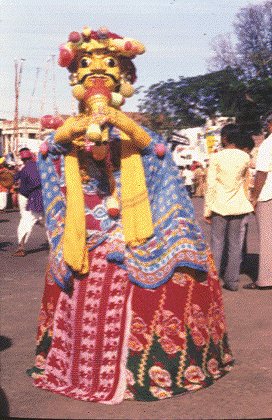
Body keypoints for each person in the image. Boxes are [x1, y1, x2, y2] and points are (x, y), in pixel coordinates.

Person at [28, 26, 234, 403]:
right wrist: (66, 136)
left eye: (109, 67)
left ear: (122, 80)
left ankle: (140, 370)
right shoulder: (68, 135)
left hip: (138, 228)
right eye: (87, 68)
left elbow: (158, 157)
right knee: (78, 268)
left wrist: (125, 127)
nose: (98, 76)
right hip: (85, 231)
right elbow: (47, 157)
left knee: (170, 266)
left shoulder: (136, 133)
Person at [204, 124, 253, 291]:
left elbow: (210, 185)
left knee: (217, 244)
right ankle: (232, 281)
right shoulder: (245, 157)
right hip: (238, 206)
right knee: (235, 245)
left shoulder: (216, 157)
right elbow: (245, 182)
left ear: (224, 138)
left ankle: (213, 279)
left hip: (219, 206)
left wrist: (207, 210)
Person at [243, 113, 272, 290]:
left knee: (267, 238)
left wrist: (253, 197)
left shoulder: (268, 145)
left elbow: (261, 173)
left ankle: (266, 279)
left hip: (268, 195)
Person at [13, 148, 44, 256]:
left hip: (34, 198)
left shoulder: (26, 169)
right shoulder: (38, 166)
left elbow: (33, 183)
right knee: (47, 221)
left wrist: (23, 190)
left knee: (26, 221)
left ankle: (21, 248)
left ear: (22, 158)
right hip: (43, 197)